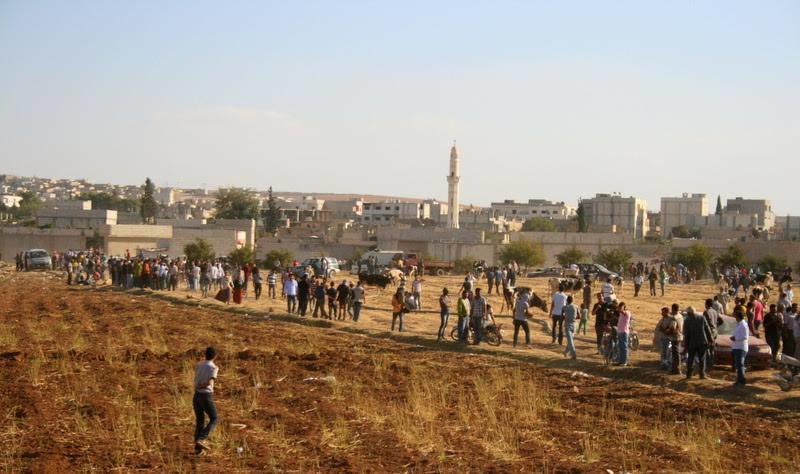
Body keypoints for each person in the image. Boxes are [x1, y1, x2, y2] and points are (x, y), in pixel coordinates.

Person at [193, 346, 219, 453]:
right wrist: (202, 385)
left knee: (200, 421)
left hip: (196, 396)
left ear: (205, 354)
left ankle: (198, 449)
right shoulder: (213, 367)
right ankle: (202, 439)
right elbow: (210, 382)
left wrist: (198, 386)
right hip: (206, 396)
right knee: (214, 418)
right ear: (215, 356)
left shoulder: (199, 364)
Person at [683, 306, 713, 379]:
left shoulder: (687, 320)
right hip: (702, 342)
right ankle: (702, 374)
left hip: (692, 343)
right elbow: (707, 329)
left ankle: (689, 374)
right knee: (702, 358)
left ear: (689, 313)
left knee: (691, 358)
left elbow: (686, 334)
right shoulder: (702, 318)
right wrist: (710, 339)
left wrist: (685, 345)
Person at [731, 309, 749, 386]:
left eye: (735, 316)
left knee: (740, 364)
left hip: (741, 347)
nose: (735, 317)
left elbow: (745, 336)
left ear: (738, 317)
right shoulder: (739, 324)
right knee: (738, 365)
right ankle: (740, 380)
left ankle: (741, 381)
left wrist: (735, 338)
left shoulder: (743, 325)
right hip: (736, 346)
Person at [668, 303, 684, 374]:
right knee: (677, 353)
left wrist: (667, 332)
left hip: (675, 337)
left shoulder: (674, 317)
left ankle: (676, 369)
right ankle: (677, 369)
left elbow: (672, 327)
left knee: (675, 354)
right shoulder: (680, 316)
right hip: (680, 335)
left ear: (673, 309)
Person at [614, 302, 631, 366]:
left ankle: (625, 362)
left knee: (624, 347)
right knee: (620, 347)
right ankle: (620, 361)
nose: (619, 308)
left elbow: (622, 311)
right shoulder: (621, 314)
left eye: (621, 307)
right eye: (619, 307)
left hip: (624, 332)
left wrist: (619, 308)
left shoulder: (627, 313)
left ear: (624, 307)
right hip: (620, 332)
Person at [563, 295, 579, 359]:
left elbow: (562, 316)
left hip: (567, 324)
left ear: (567, 300)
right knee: (570, 340)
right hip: (574, 324)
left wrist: (566, 316)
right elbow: (579, 316)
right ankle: (566, 352)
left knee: (570, 341)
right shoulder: (576, 306)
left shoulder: (564, 307)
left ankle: (574, 354)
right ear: (572, 300)